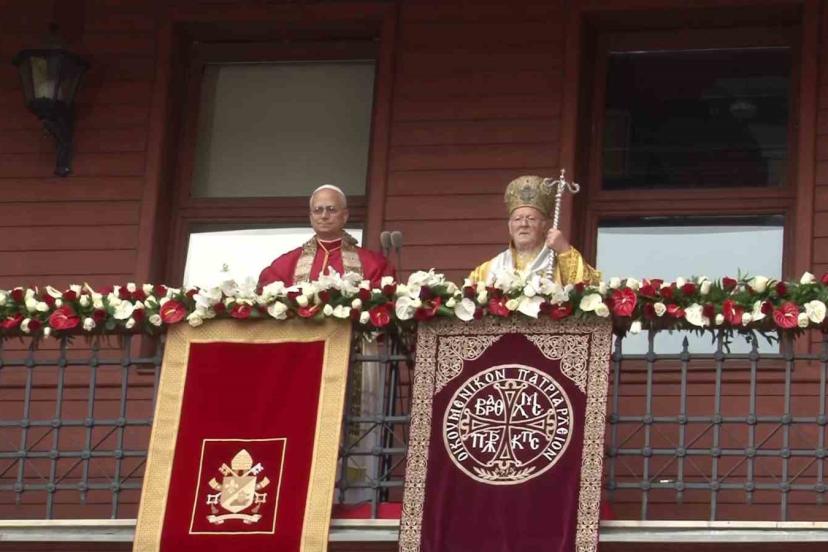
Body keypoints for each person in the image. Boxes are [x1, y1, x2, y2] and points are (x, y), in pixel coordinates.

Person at [469, 175, 600, 285]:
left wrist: (564, 250)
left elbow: (589, 288)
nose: (523, 224)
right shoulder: (487, 270)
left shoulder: (559, 262)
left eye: (531, 219)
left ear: (543, 226)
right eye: (517, 219)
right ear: (510, 227)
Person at [258, 185, 394, 288]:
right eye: (318, 210)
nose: (324, 216)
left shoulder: (373, 264)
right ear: (311, 217)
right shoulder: (285, 265)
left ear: (345, 216)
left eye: (331, 209)